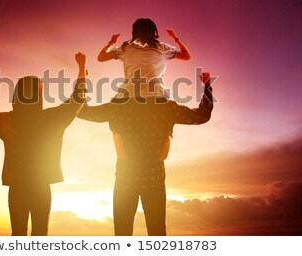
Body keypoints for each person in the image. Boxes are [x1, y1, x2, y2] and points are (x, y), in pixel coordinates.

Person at [77, 72, 213, 236]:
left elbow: (81, 111)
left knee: (122, 234)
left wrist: (82, 72)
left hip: (125, 179)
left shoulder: (117, 107)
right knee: (157, 233)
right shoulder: (167, 108)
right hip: (153, 180)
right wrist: (207, 86)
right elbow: (201, 115)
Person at [0, 52, 87, 236]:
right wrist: (81, 67)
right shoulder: (51, 119)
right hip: (41, 187)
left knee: (18, 235)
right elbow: (78, 98)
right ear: (39, 95)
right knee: (40, 235)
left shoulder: (8, 121)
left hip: (17, 188)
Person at [97, 18, 191, 99]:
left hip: (129, 94)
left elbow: (101, 57)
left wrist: (111, 43)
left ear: (134, 32)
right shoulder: (162, 48)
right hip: (156, 94)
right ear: (153, 32)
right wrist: (175, 38)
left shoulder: (126, 48)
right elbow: (186, 56)